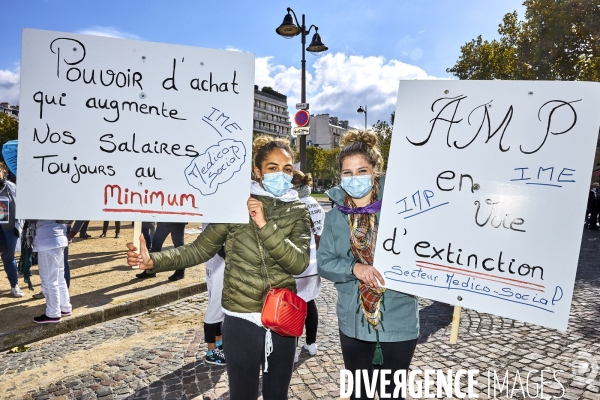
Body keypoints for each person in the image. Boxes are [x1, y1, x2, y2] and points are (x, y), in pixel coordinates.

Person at [127, 136, 310, 400]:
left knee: (277, 395)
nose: (281, 174)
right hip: (240, 320)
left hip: (282, 319)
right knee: (242, 394)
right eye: (272, 167)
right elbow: (199, 249)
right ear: (257, 171)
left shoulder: (299, 210)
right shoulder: (235, 206)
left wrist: (264, 224)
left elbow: (298, 262)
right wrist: (153, 261)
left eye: (287, 168)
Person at [317, 131, 419, 399]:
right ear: (340, 175)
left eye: (361, 170)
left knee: (390, 395)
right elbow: (324, 261)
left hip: (399, 319)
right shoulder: (335, 217)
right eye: (347, 172)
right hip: (353, 324)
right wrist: (353, 268)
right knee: (359, 394)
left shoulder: (403, 209)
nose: (354, 178)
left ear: (375, 171)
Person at [291, 170, 325, 362]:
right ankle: (311, 344)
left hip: (296, 264)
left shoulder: (292, 205)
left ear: (295, 186)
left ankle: (293, 350)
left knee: (293, 306)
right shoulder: (316, 205)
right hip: (313, 265)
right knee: (309, 303)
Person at [23, 220, 72, 323]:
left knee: (49, 279)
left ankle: (53, 313)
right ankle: (65, 306)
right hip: (59, 237)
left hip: (47, 240)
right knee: (59, 276)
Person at [202, 223, 226, 365]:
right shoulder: (212, 213)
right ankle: (211, 351)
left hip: (218, 261)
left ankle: (219, 342)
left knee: (219, 303)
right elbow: (213, 241)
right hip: (217, 262)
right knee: (215, 305)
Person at [0, 164, 23, 297]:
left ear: (3, 171)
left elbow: (19, 208)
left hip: (9, 230)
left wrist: (17, 226)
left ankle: (14, 285)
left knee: (9, 258)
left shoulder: (11, 187)